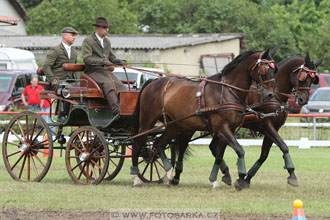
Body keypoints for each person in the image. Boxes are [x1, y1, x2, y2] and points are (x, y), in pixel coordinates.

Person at [81, 17, 127, 115]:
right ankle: (116, 110)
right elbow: (87, 59)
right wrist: (102, 61)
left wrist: (120, 61)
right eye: (105, 27)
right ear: (98, 28)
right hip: (93, 71)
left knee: (121, 86)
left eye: (107, 27)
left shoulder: (107, 42)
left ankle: (125, 110)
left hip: (106, 72)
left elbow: (112, 57)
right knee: (108, 84)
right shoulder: (88, 41)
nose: (107, 30)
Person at [43, 26, 79, 122]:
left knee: (82, 88)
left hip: (70, 81)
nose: (74, 37)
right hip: (57, 81)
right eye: (72, 35)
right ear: (65, 35)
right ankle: (61, 114)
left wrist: (78, 82)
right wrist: (52, 80)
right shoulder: (56, 50)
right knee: (66, 88)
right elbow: (46, 66)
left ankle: (77, 113)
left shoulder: (74, 52)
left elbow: (74, 70)